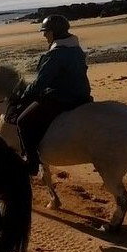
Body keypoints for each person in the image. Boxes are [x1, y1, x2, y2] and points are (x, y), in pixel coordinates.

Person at [12, 14, 93, 176]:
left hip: (63, 97)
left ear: (54, 32)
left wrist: (23, 96)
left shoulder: (55, 54)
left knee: (23, 121)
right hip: (82, 94)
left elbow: (41, 83)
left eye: (46, 31)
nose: (44, 35)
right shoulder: (76, 49)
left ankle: (32, 163)